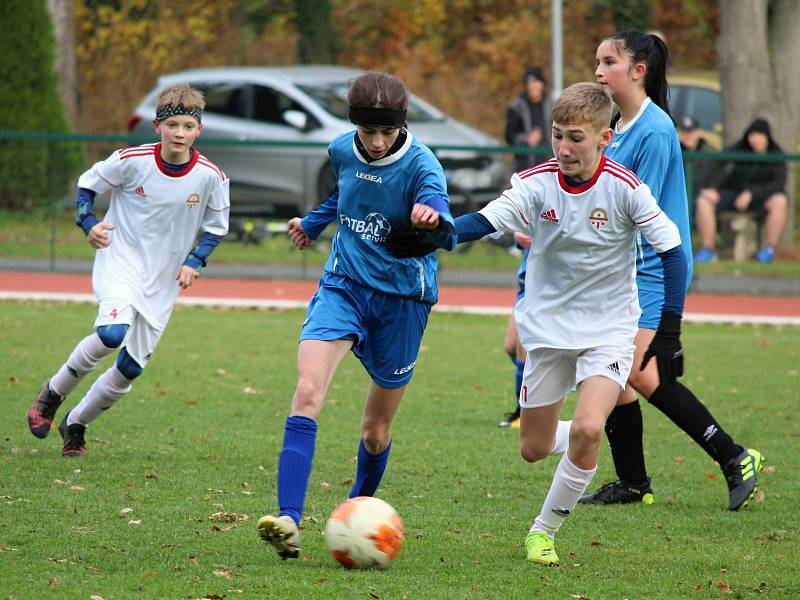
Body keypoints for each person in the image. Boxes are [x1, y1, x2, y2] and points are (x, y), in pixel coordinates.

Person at [452, 82, 687, 566]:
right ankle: (573, 434)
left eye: (576, 137)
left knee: (586, 430)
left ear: (605, 137)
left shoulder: (625, 188)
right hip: (548, 332)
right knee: (533, 448)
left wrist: (669, 329)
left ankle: (543, 532)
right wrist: (438, 231)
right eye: (558, 135)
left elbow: (673, 250)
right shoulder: (536, 182)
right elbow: (484, 221)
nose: (564, 148)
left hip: (609, 331)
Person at [255, 70, 458, 560]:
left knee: (375, 429)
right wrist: (313, 223)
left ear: (401, 127)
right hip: (343, 286)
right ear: (356, 126)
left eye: (387, 132)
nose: (378, 141)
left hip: (402, 303)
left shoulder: (422, 165)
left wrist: (431, 217)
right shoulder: (343, 148)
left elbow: (445, 216)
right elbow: (343, 194)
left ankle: (356, 509)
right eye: (369, 131)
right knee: (306, 392)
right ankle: (288, 519)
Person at [579, 30, 763, 511]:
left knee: (640, 375)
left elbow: (640, 214)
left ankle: (734, 456)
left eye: (608, 62)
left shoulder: (655, 131)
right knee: (618, 375)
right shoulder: (617, 123)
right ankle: (635, 483)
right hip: (623, 274)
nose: (598, 71)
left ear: (638, 70)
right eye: (596, 61)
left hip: (654, 272)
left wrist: (671, 325)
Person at [26, 84, 230, 456]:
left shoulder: (210, 176)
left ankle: (76, 424)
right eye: (172, 126)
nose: (179, 133)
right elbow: (87, 185)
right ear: (157, 126)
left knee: (130, 370)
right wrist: (89, 224)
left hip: (164, 278)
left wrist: (194, 260)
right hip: (120, 258)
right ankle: (51, 396)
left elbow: (217, 227)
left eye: (187, 126)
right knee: (111, 333)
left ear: (198, 130)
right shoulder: (131, 160)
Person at [694, 117, 788, 264]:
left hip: (760, 200)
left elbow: (778, 184)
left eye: (759, 135)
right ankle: (708, 250)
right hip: (733, 195)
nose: (754, 139)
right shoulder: (740, 148)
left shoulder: (776, 155)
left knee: (780, 201)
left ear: (767, 137)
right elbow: (714, 162)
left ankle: (768, 251)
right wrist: (705, 187)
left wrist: (752, 194)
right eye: (752, 135)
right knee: (703, 200)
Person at [498, 233, 530, 429]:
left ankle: (523, 413)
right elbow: (521, 238)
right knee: (510, 347)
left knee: (524, 352)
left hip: (543, 288)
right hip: (525, 288)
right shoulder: (534, 205)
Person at [505, 65, 553, 172]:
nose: (533, 86)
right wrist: (527, 139)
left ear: (542, 84)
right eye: (529, 83)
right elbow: (509, 136)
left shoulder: (552, 104)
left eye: (536, 82)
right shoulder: (516, 106)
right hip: (525, 167)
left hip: (550, 165)